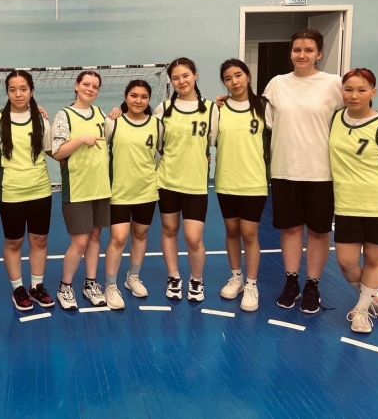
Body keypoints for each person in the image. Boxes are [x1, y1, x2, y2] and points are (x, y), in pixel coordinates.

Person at [262, 29, 378, 313]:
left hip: (322, 173)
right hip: (285, 168)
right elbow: (267, 120)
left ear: (319, 54)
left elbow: (357, 109)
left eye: (309, 50)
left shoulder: (334, 84)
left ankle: (312, 285)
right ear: (290, 52)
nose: (302, 55)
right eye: (297, 49)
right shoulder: (277, 84)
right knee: (290, 230)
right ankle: (291, 282)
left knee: (318, 232)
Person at [330, 68, 378, 333]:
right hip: (346, 202)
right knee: (346, 261)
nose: (354, 95)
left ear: (373, 92)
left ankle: (361, 311)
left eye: (362, 90)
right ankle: (372, 297)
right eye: (348, 89)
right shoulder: (335, 118)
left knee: (373, 258)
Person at [154, 58, 218, 302]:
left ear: (195, 75)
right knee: (169, 230)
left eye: (185, 75)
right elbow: (159, 144)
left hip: (195, 184)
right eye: (176, 78)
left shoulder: (211, 109)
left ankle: (196, 279)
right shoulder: (163, 109)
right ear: (171, 81)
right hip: (167, 181)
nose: (181, 81)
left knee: (193, 237)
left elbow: (211, 142)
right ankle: (173, 276)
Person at [0, 70, 55, 311]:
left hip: (40, 189)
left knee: (39, 239)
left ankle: (37, 286)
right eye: (13, 89)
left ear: (31, 91)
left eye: (23, 89)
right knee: (14, 241)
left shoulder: (41, 119)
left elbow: (51, 150)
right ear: (7, 92)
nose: (18, 94)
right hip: (11, 191)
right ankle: (18, 289)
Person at [52, 71, 111, 310]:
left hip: (100, 187)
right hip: (77, 188)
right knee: (79, 241)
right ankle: (65, 287)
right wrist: (80, 140)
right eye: (86, 84)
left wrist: (118, 113)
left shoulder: (100, 114)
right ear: (76, 86)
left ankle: (90, 283)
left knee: (96, 236)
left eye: (95, 86)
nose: (90, 89)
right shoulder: (64, 115)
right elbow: (57, 152)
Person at [214, 59, 268, 312]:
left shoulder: (264, 107)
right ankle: (236, 277)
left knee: (249, 233)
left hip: (254, 181)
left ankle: (251, 284)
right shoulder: (218, 109)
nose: (234, 81)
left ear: (248, 76)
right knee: (232, 230)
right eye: (228, 78)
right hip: (226, 180)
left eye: (238, 75)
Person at [103, 80, 161, 309]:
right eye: (134, 95)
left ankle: (133, 277)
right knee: (118, 238)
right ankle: (110, 285)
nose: (138, 100)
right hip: (119, 191)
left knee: (140, 233)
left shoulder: (157, 124)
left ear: (149, 99)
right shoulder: (112, 123)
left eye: (144, 96)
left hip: (146, 190)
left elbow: (167, 151)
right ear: (126, 97)